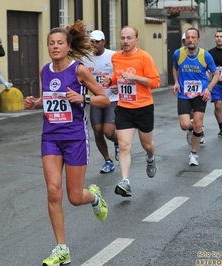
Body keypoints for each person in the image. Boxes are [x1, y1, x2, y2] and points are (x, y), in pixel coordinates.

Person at [23, 20, 110, 266]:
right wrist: (36, 103)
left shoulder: (79, 70)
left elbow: (104, 98)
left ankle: (93, 198)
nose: (55, 47)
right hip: (50, 137)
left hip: (74, 138)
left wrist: (83, 98)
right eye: (51, 43)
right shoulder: (44, 71)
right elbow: (50, 96)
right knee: (53, 191)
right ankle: (61, 249)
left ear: (68, 45)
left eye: (60, 43)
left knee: (74, 197)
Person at [101, 26, 160, 197]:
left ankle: (150, 157)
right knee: (124, 146)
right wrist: (110, 81)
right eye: (123, 38)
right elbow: (117, 75)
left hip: (143, 107)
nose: (125, 41)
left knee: (146, 144)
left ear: (136, 40)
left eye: (129, 38)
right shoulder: (116, 57)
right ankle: (125, 181)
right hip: (124, 108)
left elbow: (155, 82)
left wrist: (135, 78)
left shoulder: (144, 57)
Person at [172, 27, 219, 166]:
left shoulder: (205, 56)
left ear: (198, 40)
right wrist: (176, 82)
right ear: (185, 39)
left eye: (193, 37)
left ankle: (193, 154)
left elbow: (215, 74)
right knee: (185, 125)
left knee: (198, 123)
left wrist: (209, 89)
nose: (190, 39)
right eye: (188, 37)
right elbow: (175, 68)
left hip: (200, 94)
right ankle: (195, 130)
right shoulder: (177, 54)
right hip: (184, 94)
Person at [82, 30, 119, 174]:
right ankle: (107, 161)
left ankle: (117, 142)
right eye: (92, 42)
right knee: (97, 132)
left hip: (112, 99)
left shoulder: (112, 56)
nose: (94, 45)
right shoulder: (86, 58)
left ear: (103, 42)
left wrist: (117, 86)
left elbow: (120, 73)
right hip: (96, 99)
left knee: (108, 131)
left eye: (97, 42)